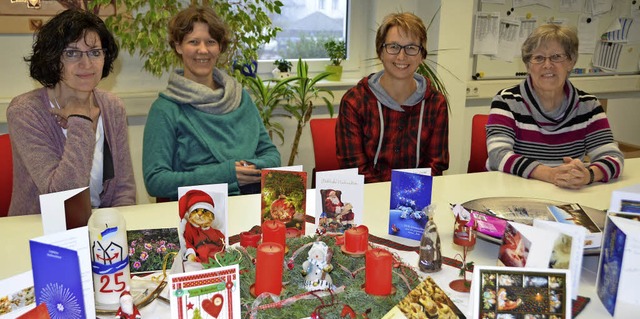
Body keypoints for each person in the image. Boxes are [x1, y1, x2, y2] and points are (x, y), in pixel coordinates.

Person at [6, 9, 136, 216]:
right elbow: (62, 198)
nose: (87, 64)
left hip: (101, 229)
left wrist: (116, 229)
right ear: (53, 58)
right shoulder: (25, 111)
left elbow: (124, 191)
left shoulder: (113, 107)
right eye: (72, 53)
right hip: (40, 230)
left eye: (95, 52)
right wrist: (81, 120)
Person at [142, 6, 280, 199]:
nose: (203, 50)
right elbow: (156, 181)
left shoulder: (240, 98)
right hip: (196, 215)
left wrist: (247, 169)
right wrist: (226, 174)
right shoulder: (166, 109)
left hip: (248, 205)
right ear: (178, 46)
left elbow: (272, 155)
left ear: (220, 47)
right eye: (193, 42)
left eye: (211, 42)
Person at [486, 24, 624, 189]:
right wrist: (550, 174)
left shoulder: (588, 105)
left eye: (556, 56)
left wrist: (588, 175)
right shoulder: (506, 101)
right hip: (514, 192)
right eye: (538, 58)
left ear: (571, 62)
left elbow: (613, 158)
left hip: (567, 194)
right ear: (528, 66)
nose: (547, 65)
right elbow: (498, 155)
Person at [335, 12, 449, 183]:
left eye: (411, 47)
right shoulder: (355, 101)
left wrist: (404, 199)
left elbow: (436, 165)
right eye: (393, 47)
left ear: (422, 55)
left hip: (415, 200)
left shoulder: (435, 103)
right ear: (380, 52)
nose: (401, 56)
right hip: (368, 198)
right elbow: (353, 168)